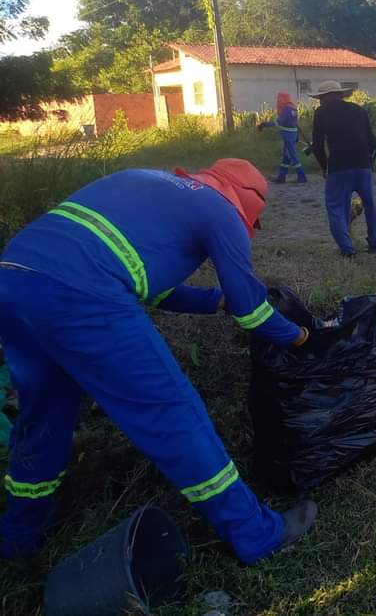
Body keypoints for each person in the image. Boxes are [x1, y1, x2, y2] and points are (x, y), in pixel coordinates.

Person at [0, 159, 316, 564]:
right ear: (248, 203)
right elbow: (250, 311)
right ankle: (256, 534)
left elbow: (148, 280)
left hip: (14, 279)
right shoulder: (220, 210)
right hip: (81, 295)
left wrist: (211, 300)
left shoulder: (148, 181)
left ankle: (19, 535)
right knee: (173, 415)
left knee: (42, 418)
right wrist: (299, 335)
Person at [309, 80, 376, 257]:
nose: (320, 102)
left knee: (336, 205)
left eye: (321, 98)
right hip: (363, 165)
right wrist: (370, 164)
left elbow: (318, 145)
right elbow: (372, 142)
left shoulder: (321, 113)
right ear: (340, 95)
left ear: (325, 97)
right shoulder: (359, 110)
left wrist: (324, 167)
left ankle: (347, 248)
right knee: (370, 204)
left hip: (339, 166)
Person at [258, 91, 307, 184]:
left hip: (288, 135)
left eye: (279, 98)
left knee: (293, 156)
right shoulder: (293, 108)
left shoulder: (286, 109)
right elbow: (294, 124)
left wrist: (265, 124)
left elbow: (279, 122)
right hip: (292, 134)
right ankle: (281, 177)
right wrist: (297, 136)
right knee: (286, 156)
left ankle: (302, 176)